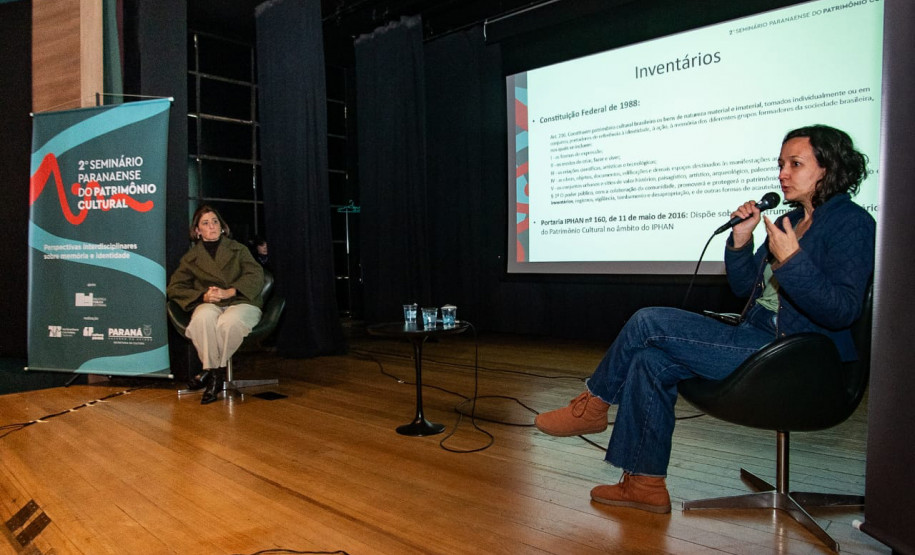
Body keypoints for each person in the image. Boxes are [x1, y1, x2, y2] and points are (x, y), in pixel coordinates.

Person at [534, 124, 875, 514]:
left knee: (648, 321)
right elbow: (746, 288)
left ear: (828, 169)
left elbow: (843, 309)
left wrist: (793, 261)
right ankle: (644, 484)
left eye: (795, 164)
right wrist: (742, 240)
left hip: (801, 356)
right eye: (781, 163)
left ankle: (592, 405)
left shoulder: (853, 223)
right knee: (651, 360)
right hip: (758, 336)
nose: (782, 173)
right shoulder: (788, 221)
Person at [167, 205, 265, 405]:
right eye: (205, 223)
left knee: (228, 323)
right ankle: (216, 373)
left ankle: (210, 373)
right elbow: (174, 287)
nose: (211, 226)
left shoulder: (238, 249)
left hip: (241, 300)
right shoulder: (190, 259)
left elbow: (256, 275)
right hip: (211, 302)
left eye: (215, 221)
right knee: (202, 318)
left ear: (222, 227)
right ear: (197, 231)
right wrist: (202, 297)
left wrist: (231, 290)